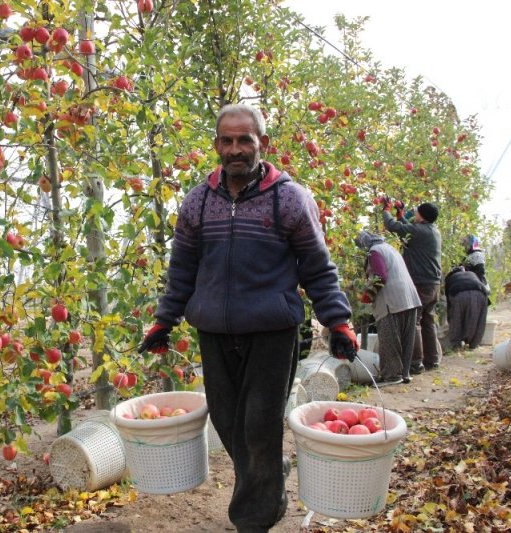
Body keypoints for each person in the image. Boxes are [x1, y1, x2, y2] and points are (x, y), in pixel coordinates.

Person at [138, 104, 358, 533]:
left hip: (272, 332)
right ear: (217, 145)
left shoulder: (291, 199)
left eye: (245, 140)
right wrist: (165, 320)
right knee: (226, 423)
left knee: (258, 425)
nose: (235, 149)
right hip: (215, 332)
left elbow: (316, 267)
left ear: (262, 143)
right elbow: (182, 267)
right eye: (227, 140)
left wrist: (339, 321)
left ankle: (251, 520)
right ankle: (271, 475)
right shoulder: (197, 202)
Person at [382, 198, 443, 373]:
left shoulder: (421, 231)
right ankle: (432, 360)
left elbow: (393, 227)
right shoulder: (432, 230)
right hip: (433, 284)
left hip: (421, 283)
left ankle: (416, 363)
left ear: (422, 216)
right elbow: (407, 230)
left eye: (416, 212)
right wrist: (401, 215)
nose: (414, 214)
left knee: (414, 321)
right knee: (428, 321)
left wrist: (386, 210)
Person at [355, 230, 421, 385]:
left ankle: (392, 376)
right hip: (409, 298)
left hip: (391, 300)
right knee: (406, 338)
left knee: (389, 339)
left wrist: (368, 295)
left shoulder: (374, 251)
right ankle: (404, 373)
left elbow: (380, 276)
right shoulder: (390, 248)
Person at [444, 265, 490, 350]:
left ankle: (456, 345)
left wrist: (449, 319)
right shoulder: (472, 274)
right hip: (481, 294)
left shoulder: (450, 279)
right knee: (480, 320)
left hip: (459, 295)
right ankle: (474, 344)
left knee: (456, 319)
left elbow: (449, 307)